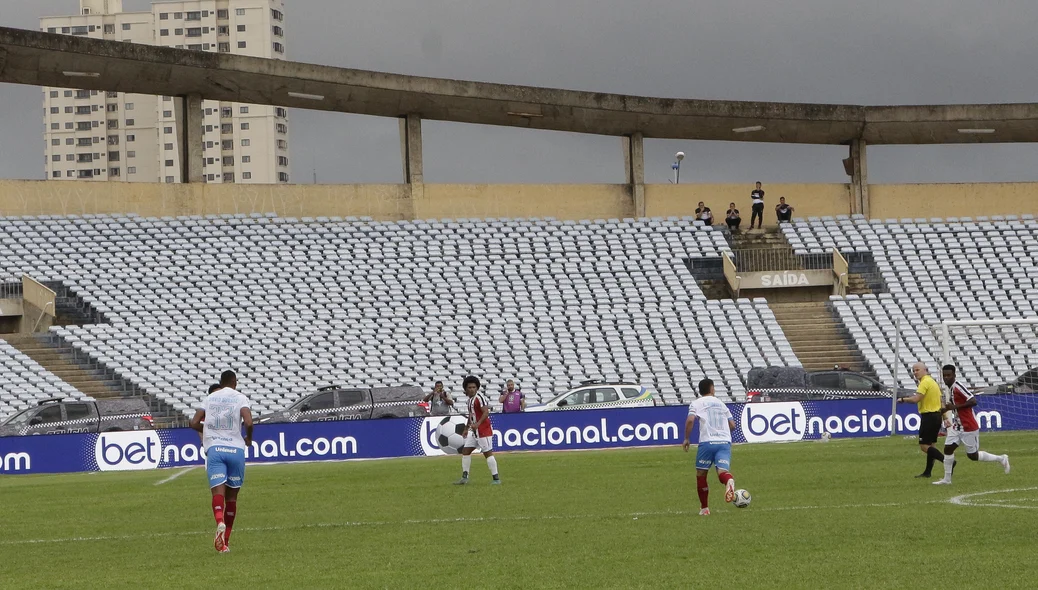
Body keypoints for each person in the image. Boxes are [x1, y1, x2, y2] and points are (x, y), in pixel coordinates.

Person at [189, 370, 253, 553]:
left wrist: (210, 427)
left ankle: (219, 522)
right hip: (236, 450)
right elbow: (248, 423)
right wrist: (248, 439)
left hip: (215, 450)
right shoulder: (240, 398)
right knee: (232, 498)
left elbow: (193, 423)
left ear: (221, 381)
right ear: (235, 382)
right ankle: (226, 542)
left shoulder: (210, 398)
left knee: (217, 493)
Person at [933, 364, 1010, 485]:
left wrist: (954, 407)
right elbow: (956, 407)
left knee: (972, 456)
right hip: (957, 426)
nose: (946, 377)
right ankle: (947, 479)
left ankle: (1001, 458)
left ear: (954, 375)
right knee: (948, 449)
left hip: (968, 426)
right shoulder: (951, 388)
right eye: (944, 375)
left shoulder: (958, 387)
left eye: (949, 375)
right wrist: (945, 410)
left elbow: (973, 400)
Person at [682, 378, 737, 516]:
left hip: (707, 442)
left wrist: (687, 438)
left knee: (701, 474)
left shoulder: (696, 403)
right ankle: (728, 480)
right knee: (722, 473)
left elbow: (690, 420)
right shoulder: (722, 404)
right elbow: (732, 425)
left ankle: (705, 508)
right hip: (724, 442)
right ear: (712, 389)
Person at [897, 363, 946, 478]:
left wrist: (903, 399)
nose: (915, 372)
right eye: (913, 371)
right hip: (937, 416)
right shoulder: (933, 382)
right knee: (931, 446)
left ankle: (947, 461)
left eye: (917, 370)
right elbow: (941, 402)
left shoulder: (924, 383)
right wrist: (945, 418)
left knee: (924, 446)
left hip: (929, 416)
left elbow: (916, 399)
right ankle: (928, 472)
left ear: (925, 370)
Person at [455, 376, 500, 485]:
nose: (472, 389)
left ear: (477, 388)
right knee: (466, 451)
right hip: (475, 431)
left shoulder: (479, 398)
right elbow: (471, 415)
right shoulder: (470, 400)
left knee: (487, 453)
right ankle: (465, 477)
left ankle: (496, 479)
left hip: (484, 430)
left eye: (474, 387)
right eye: (469, 387)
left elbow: (486, 412)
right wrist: (466, 428)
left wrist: (478, 424)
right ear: (465, 389)